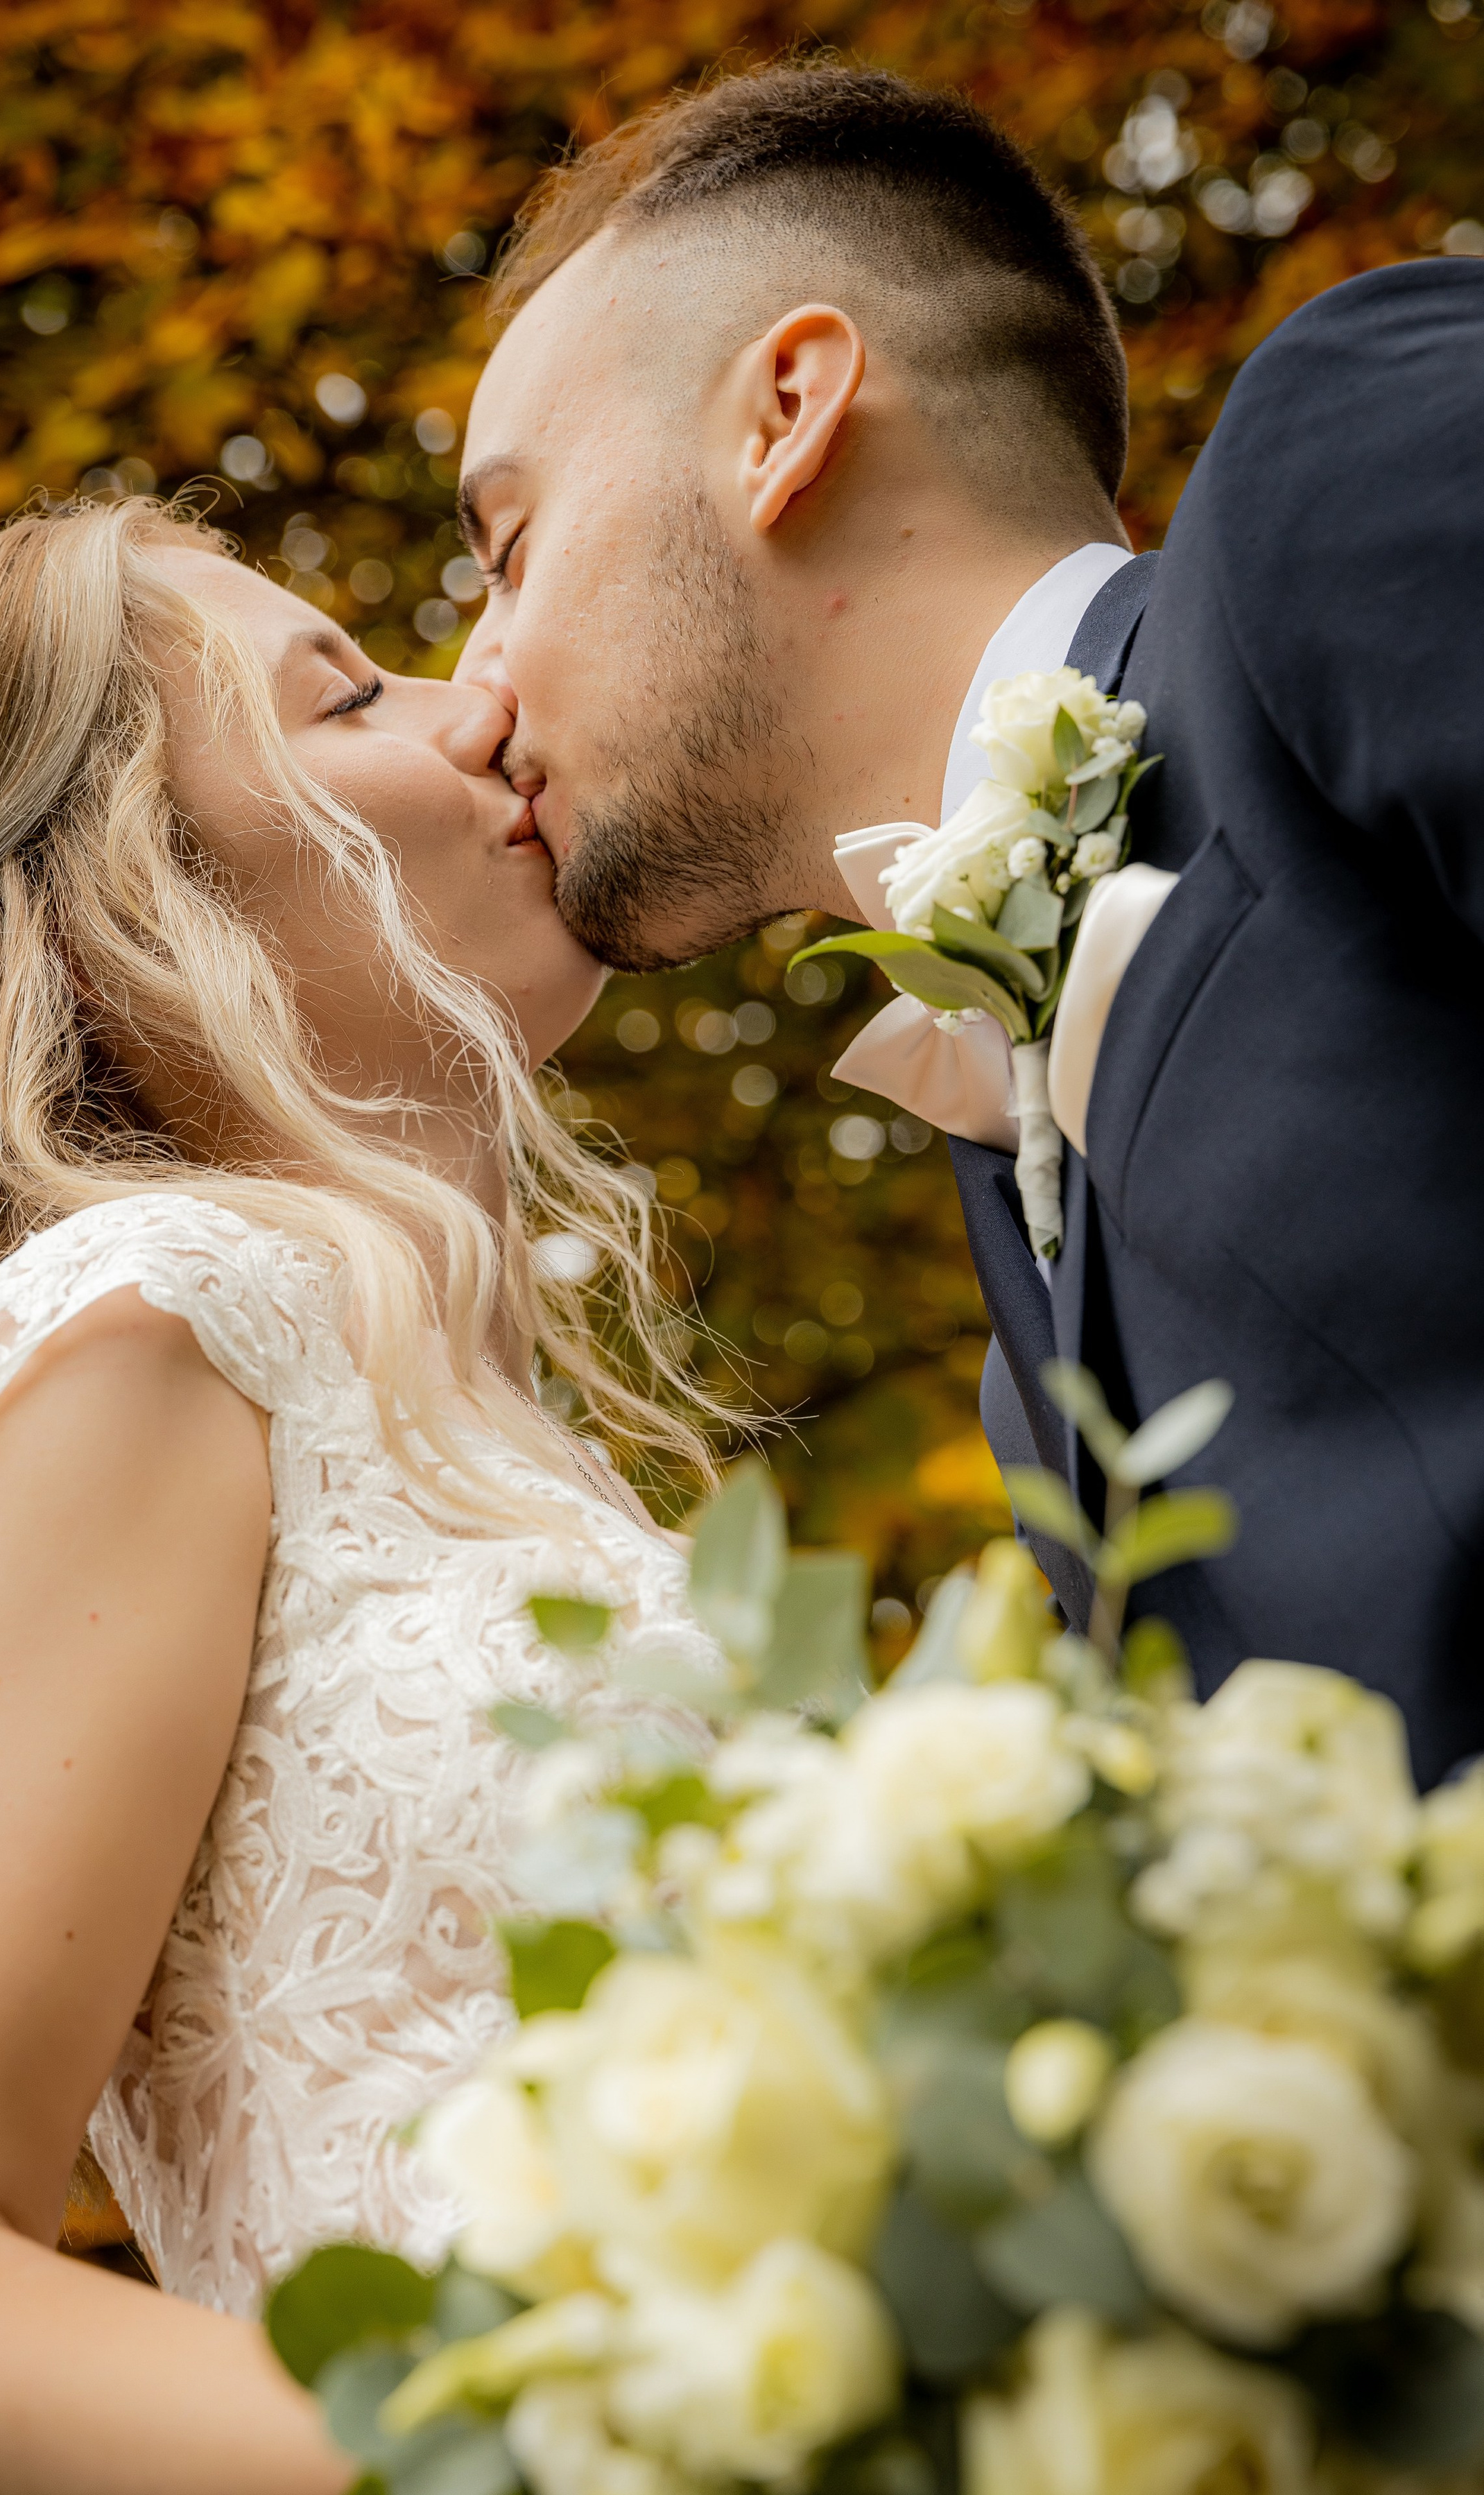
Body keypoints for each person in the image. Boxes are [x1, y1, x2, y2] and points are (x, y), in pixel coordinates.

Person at [0, 498, 716, 2495]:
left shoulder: (455, 1411)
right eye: (347, 692)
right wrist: (670, 2478)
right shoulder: (163, 1307)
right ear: (116, 898)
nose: (489, 709)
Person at [454, 60, 1484, 1789]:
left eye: (506, 547)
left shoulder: (1345, 466)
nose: (476, 687)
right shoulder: (1016, 1259)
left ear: (784, 413)